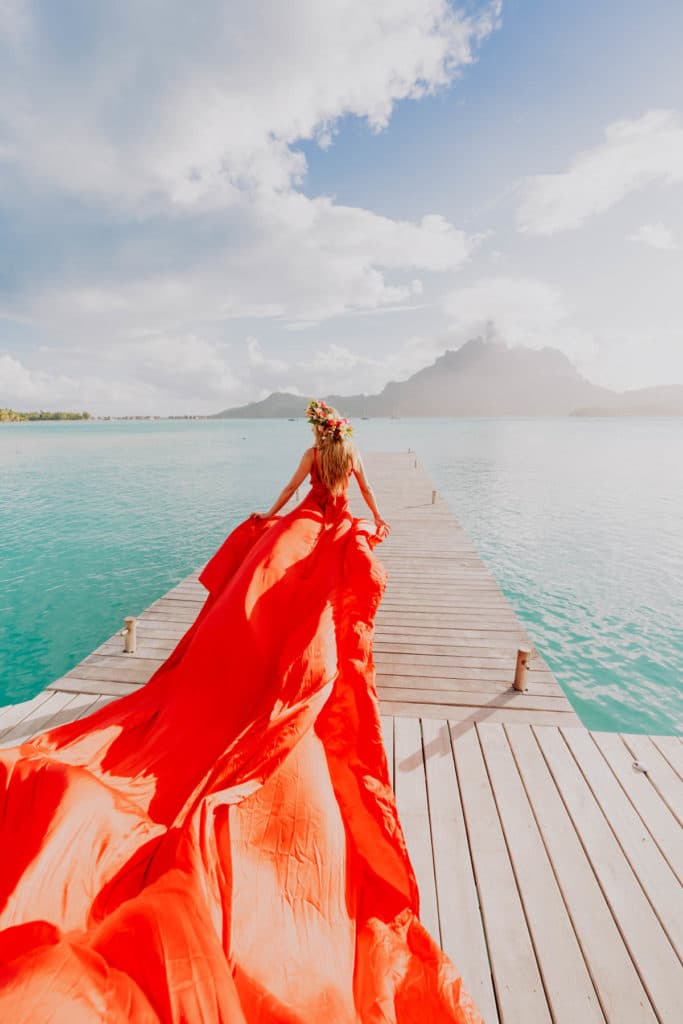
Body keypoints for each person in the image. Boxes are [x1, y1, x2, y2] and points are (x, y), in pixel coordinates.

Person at [0, 401, 482, 1024]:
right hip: (335, 529)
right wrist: (377, 522)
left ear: (316, 434)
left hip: (306, 524)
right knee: (319, 608)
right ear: (343, 434)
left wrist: (269, 519)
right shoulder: (350, 457)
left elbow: (286, 496)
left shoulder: (312, 458)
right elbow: (365, 494)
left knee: (271, 589)